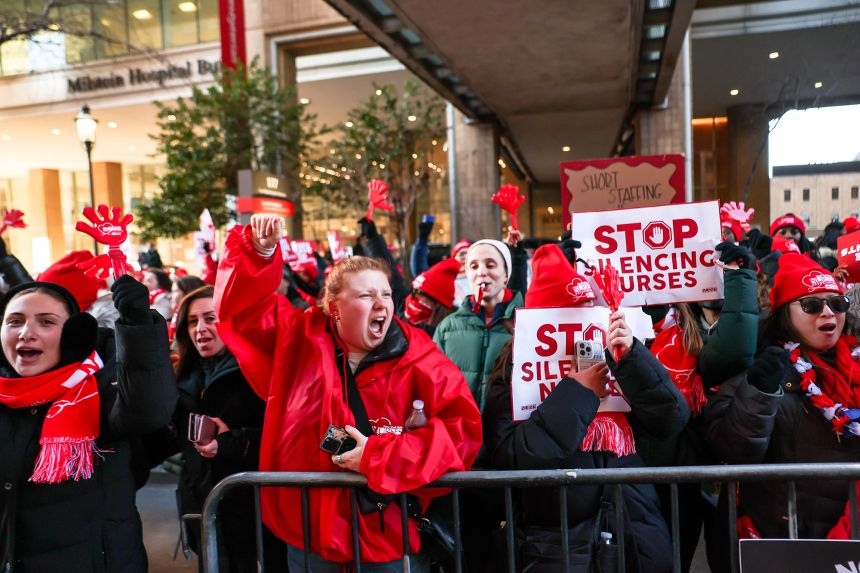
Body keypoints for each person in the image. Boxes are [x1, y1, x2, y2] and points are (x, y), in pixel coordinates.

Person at [214, 214, 482, 570]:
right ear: (334, 307)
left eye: (386, 293)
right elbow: (241, 312)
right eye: (366, 295)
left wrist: (376, 456)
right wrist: (258, 254)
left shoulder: (421, 355)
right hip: (308, 531)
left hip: (383, 534)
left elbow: (460, 433)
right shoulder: (299, 338)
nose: (382, 303)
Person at [482, 244, 685, 572]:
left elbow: (671, 420)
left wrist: (633, 359)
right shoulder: (513, 372)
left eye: (592, 312)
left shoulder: (617, 358)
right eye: (573, 314)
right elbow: (510, 455)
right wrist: (576, 393)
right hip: (559, 544)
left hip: (634, 532)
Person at [0, 276, 176, 572]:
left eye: (46, 322)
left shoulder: (103, 388)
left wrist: (139, 328)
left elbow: (150, 410)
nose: (26, 333)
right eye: (15, 321)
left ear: (74, 334)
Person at [705, 253, 860, 550]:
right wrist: (759, 393)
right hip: (790, 544)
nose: (827, 312)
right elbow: (731, 449)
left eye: (836, 303)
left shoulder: (855, 363)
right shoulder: (762, 367)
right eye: (812, 305)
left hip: (851, 538)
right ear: (785, 315)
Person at [639, 242, 760, 572]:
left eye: (722, 271)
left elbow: (733, 351)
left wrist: (741, 278)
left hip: (713, 468)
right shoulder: (665, 328)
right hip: (665, 471)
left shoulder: (747, 328)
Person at [167, 285, 285, 572]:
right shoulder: (177, 377)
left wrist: (233, 441)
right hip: (204, 507)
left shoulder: (259, 373)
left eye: (211, 319)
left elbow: (285, 437)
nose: (201, 329)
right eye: (193, 321)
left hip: (255, 512)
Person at [433, 237, 524, 413]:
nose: (481, 272)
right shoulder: (447, 328)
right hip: (459, 436)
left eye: (490, 265)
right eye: (474, 266)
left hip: (505, 437)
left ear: (506, 275)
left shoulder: (526, 325)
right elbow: (434, 388)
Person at [403, 257, 460, 336]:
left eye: (419, 292)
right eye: (413, 290)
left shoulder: (450, 334)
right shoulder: (405, 320)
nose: (413, 296)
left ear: (438, 302)